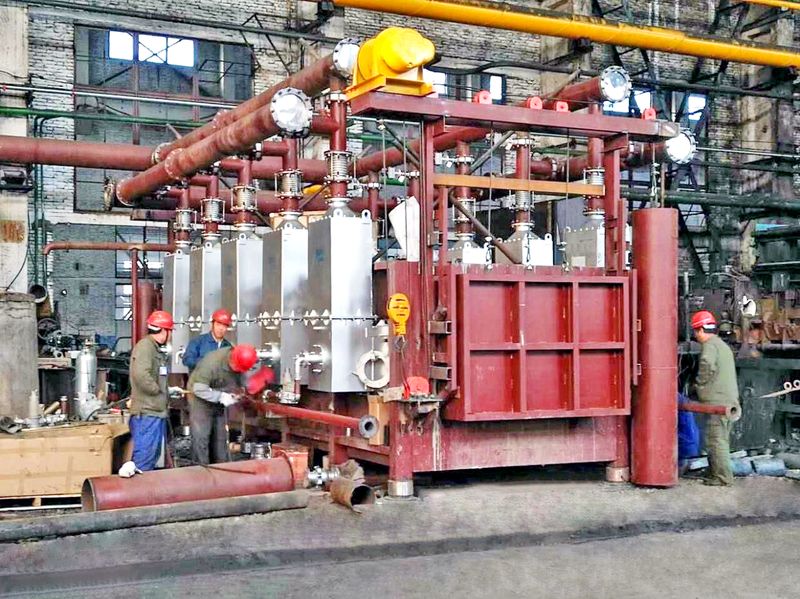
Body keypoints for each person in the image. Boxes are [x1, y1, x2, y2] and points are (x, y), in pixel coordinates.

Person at [119, 310, 173, 478]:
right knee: (144, 459)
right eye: (169, 331)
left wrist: (167, 391)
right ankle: (138, 492)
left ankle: (145, 490)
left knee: (151, 456)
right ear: (164, 331)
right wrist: (158, 390)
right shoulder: (146, 347)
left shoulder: (154, 349)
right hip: (147, 412)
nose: (170, 335)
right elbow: (141, 375)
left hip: (154, 411)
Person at [186, 344, 259, 465]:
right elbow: (198, 389)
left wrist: (241, 392)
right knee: (201, 437)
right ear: (232, 361)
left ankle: (221, 469)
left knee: (220, 439)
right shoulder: (211, 363)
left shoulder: (240, 360)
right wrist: (221, 397)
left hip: (220, 395)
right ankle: (200, 470)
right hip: (200, 398)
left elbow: (242, 379)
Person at [692, 310, 741, 486]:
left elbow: (706, 364)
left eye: (695, 331)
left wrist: (698, 384)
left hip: (718, 403)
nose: (695, 336)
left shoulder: (710, 346)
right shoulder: (722, 345)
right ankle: (715, 472)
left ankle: (722, 478)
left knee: (715, 440)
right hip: (729, 400)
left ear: (700, 330)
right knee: (721, 439)